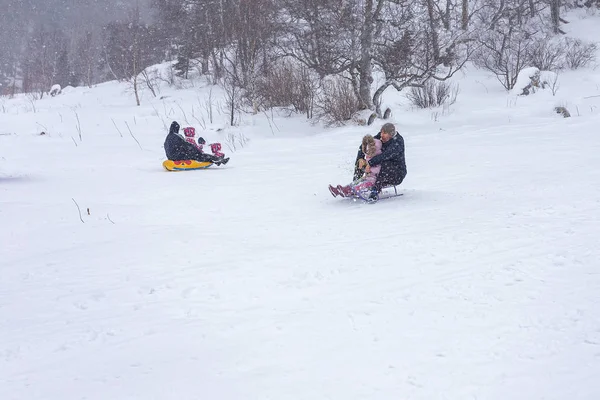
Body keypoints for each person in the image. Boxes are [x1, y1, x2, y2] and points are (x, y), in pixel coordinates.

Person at [354, 122, 406, 201]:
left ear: (391, 134)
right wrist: (361, 158)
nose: (381, 135)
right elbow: (365, 145)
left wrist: (370, 163)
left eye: (384, 133)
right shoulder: (380, 136)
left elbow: (385, 155)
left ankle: (375, 191)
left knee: (386, 163)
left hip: (396, 174)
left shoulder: (398, 141)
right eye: (381, 132)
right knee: (361, 161)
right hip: (379, 169)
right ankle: (355, 184)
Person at [164, 121, 229, 165]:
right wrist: (195, 150)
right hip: (179, 156)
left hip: (171, 157)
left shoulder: (168, 137)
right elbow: (185, 144)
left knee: (195, 153)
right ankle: (216, 160)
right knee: (199, 156)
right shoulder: (177, 136)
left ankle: (214, 159)